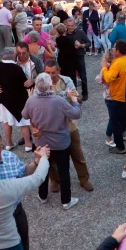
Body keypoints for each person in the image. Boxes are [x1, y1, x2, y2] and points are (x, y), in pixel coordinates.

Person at [22, 73, 82, 209]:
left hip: (41, 142)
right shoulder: (58, 101)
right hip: (60, 142)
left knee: (43, 168)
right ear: (50, 85)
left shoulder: (31, 101)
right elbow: (76, 113)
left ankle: (42, 196)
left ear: (37, 86)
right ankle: (66, 201)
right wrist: (73, 100)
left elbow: (24, 115)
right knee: (64, 170)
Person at [44, 60, 93, 192]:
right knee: (51, 157)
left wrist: (67, 98)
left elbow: (73, 98)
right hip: (51, 128)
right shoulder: (42, 83)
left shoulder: (66, 81)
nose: (50, 75)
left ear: (58, 71)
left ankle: (84, 179)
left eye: (53, 72)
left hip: (69, 125)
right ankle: (54, 180)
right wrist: (65, 96)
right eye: (47, 72)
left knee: (77, 152)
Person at [0, 48, 34, 152]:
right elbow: (25, 83)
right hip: (18, 100)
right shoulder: (16, 68)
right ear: (13, 56)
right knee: (23, 122)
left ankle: (8, 143)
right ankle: (28, 144)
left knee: (6, 122)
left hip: (2, 99)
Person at [102, 40, 126, 154]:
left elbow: (108, 78)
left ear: (117, 50)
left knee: (115, 121)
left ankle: (120, 147)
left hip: (117, 97)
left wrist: (104, 68)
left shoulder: (117, 63)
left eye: (114, 48)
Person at [66, 19, 91, 100]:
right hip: (70, 58)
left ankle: (85, 93)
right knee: (72, 77)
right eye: (69, 26)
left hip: (79, 56)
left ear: (74, 25)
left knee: (83, 75)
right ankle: (74, 94)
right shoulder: (65, 34)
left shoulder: (80, 32)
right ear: (66, 25)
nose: (70, 27)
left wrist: (81, 45)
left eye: (72, 25)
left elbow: (88, 43)